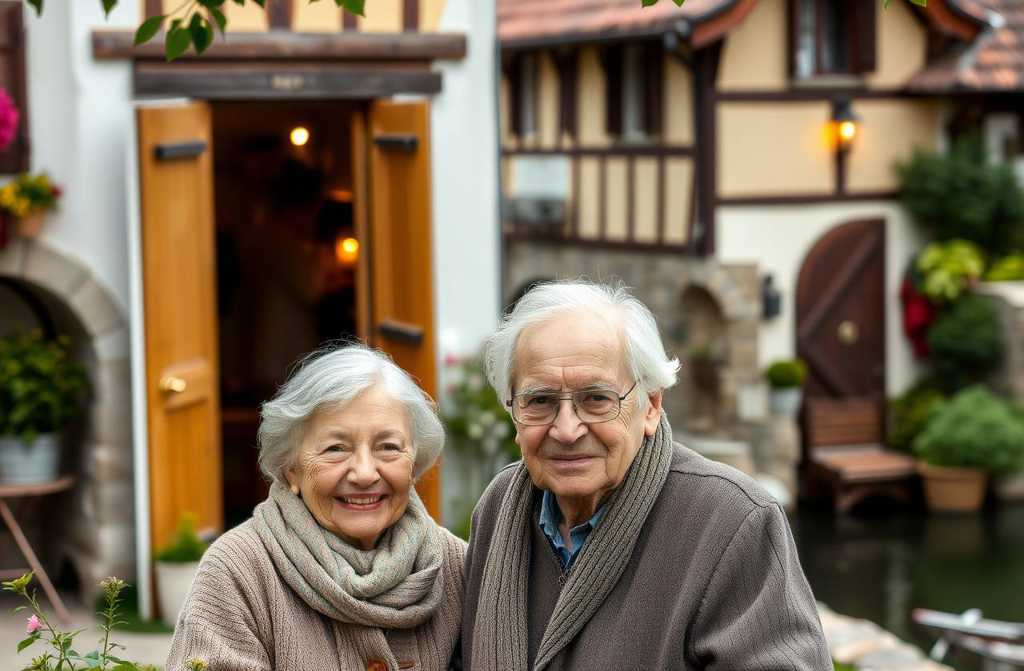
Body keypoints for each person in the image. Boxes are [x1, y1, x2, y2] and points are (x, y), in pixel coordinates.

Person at [462, 280, 831, 670]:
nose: (566, 430)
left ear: (651, 405)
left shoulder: (734, 522)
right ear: (513, 410)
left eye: (597, 398)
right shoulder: (500, 508)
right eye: (540, 400)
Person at [167, 345, 465, 670]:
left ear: (414, 463)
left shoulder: (458, 566)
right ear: (290, 469)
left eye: (388, 447)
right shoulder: (239, 570)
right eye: (336, 448)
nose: (365, 473)